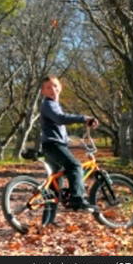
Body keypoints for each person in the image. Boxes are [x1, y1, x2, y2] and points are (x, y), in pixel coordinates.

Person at [40, 75, 99, 212]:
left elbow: (56, 126)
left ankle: (47, 222)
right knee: (75, 165)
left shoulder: (54, 105)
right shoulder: (48, 104)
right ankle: (78, 199)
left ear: (60, 88)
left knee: (55, 185)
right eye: (48, 87)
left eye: (55, 86)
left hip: (53, 145)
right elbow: (60, 119)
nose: (52, 89)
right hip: (54, 146)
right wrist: (84, 118)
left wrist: (69, 139)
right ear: (42, 91)